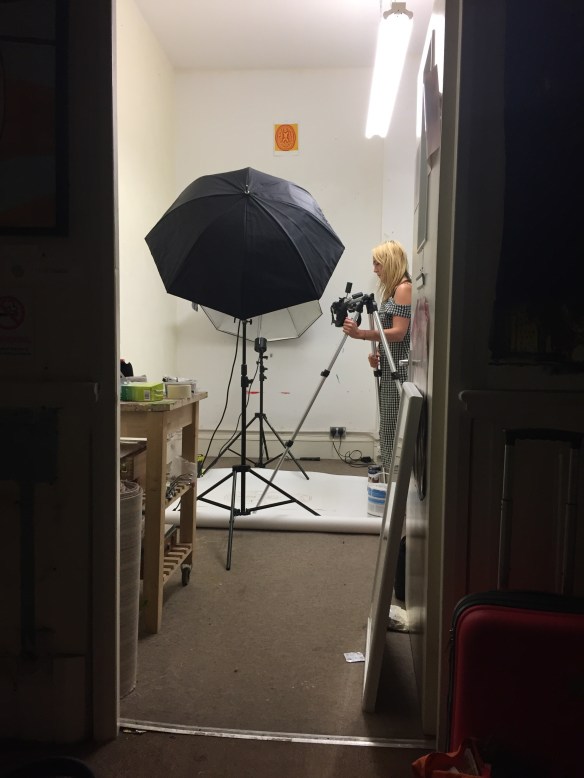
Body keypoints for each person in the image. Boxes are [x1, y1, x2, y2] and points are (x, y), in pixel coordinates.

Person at [342, 240, 412, 472]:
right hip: (390, 363)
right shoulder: (392, 291)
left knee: (390, 423)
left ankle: (389, 472)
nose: (374, 269)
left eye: (377, 263)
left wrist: (361, 334)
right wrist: (379, 353)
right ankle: (387, 467)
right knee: (386, 422)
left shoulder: (404, 289)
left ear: (390, 262)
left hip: (400, 368)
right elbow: (388, 333)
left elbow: (399, 333)